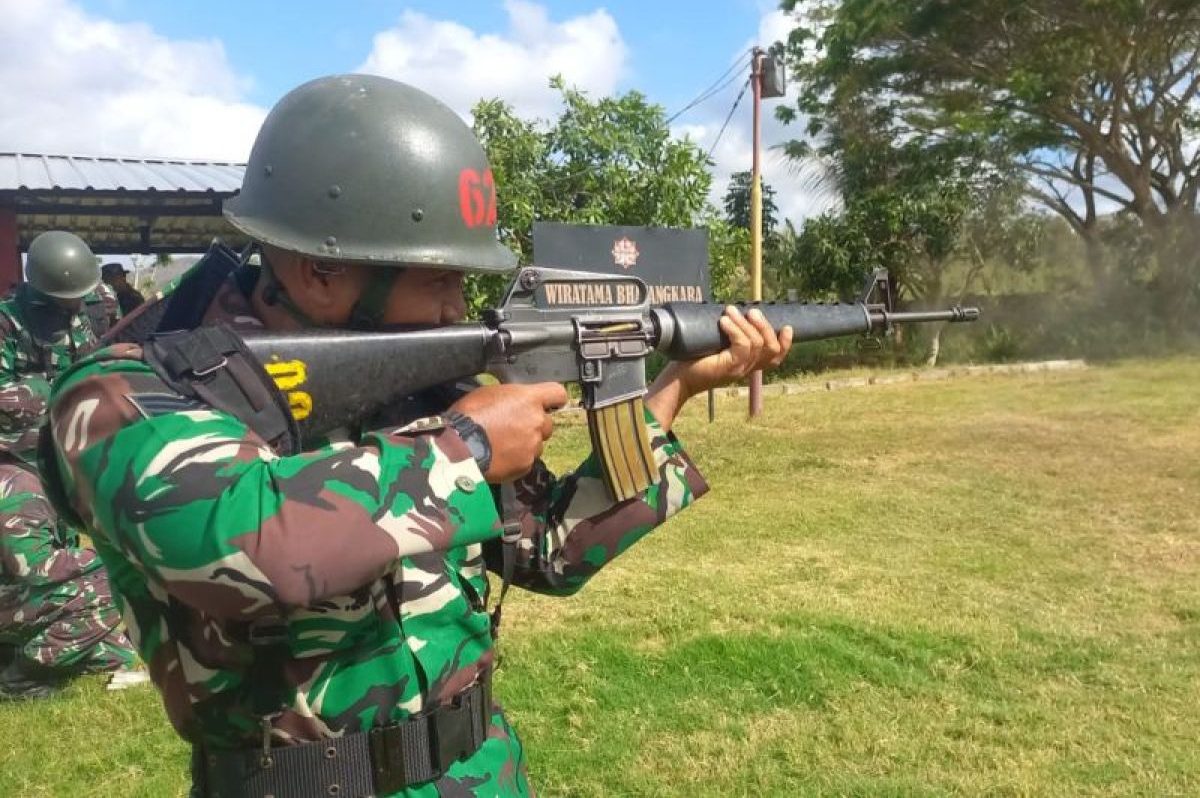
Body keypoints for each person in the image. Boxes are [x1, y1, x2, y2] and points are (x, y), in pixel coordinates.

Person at [44, 75, 792, 796]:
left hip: (477, 772)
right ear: (318, 272)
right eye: (437, 281)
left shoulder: (422, 384)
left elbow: (550, 550)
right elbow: (238, 545)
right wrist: (465, 446)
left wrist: (676, 387)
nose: (456, 310)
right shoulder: (127, 393)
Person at [0, 230, 141, 700]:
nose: (73, 309)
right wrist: (62, 390)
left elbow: (95, 368)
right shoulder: (7, 324)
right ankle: (24, 673)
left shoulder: (85, 316)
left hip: (48, 453)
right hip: (20, 456)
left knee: (117, 639)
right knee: (115, 587)